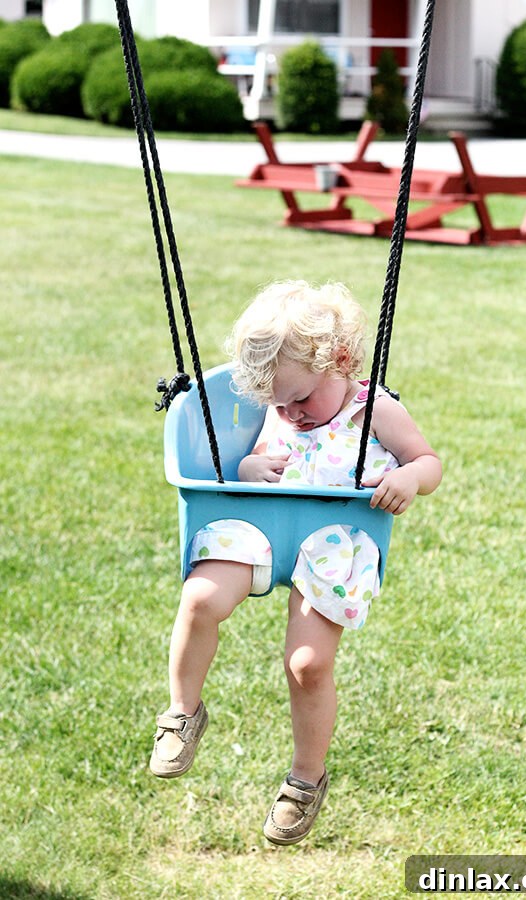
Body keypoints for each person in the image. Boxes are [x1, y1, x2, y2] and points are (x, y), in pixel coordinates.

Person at [150, 280, 442, 845]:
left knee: (307, 664)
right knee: (200, 598)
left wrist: (408, 477)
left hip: (334, 541)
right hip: (263, 529)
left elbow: (427, 461)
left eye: (300, 400)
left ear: (339, 361)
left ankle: (305, 779)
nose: (290, 414)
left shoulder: (374, 407)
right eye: (277, 404)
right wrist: (248, 470)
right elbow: (257, 455)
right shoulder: (280, 404)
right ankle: (182, 712)